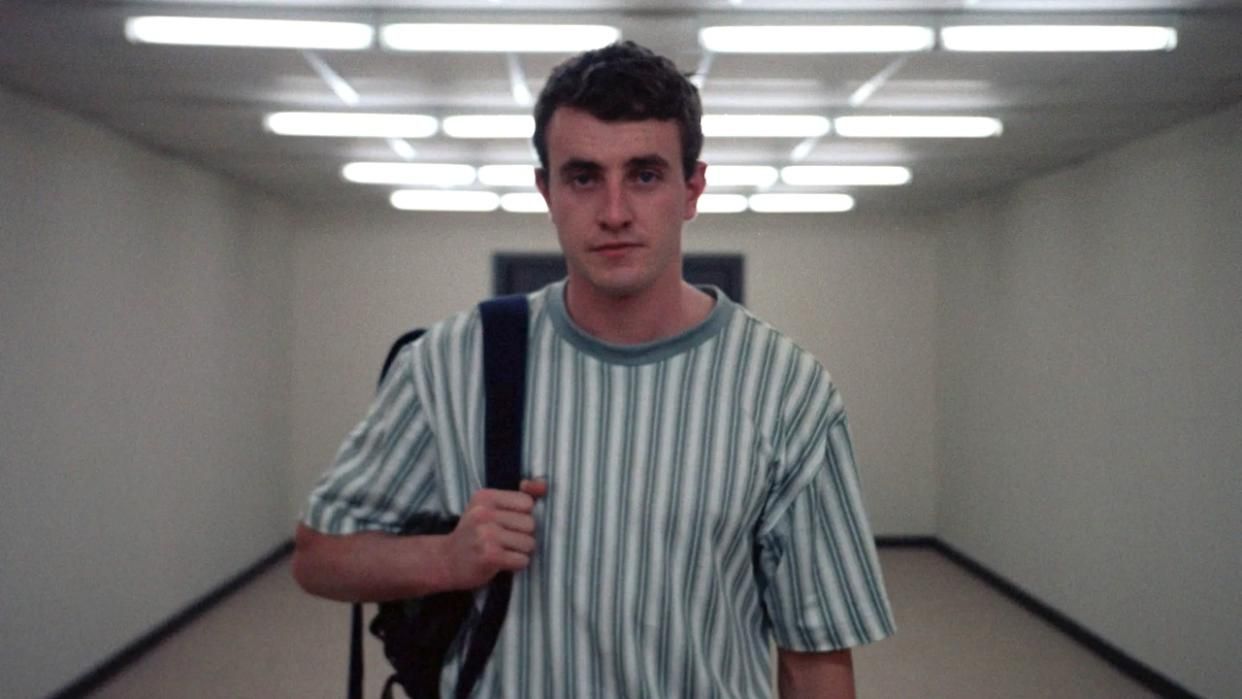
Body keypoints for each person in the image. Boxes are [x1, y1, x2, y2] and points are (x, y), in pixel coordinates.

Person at [293, 41, 894, 698]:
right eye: (583, 177)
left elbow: (815, 655)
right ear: (546, 191)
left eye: (644, 175)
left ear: (692, 189)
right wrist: (443, 557)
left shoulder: (786, 390)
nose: (613, 212)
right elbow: (319, 556)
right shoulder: (450, 363)